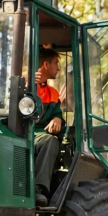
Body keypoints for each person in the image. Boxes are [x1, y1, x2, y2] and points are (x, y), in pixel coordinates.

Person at [33, 47, 65, 206]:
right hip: (21, 133)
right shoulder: (24, 84)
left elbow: (57, 113)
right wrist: (27, 84)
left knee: (50, 141)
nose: (58, 68)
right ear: (46, 65)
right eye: (56, 63)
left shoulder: (53, 93)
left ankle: (39, 189)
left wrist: (58, 119)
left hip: (41, 136)